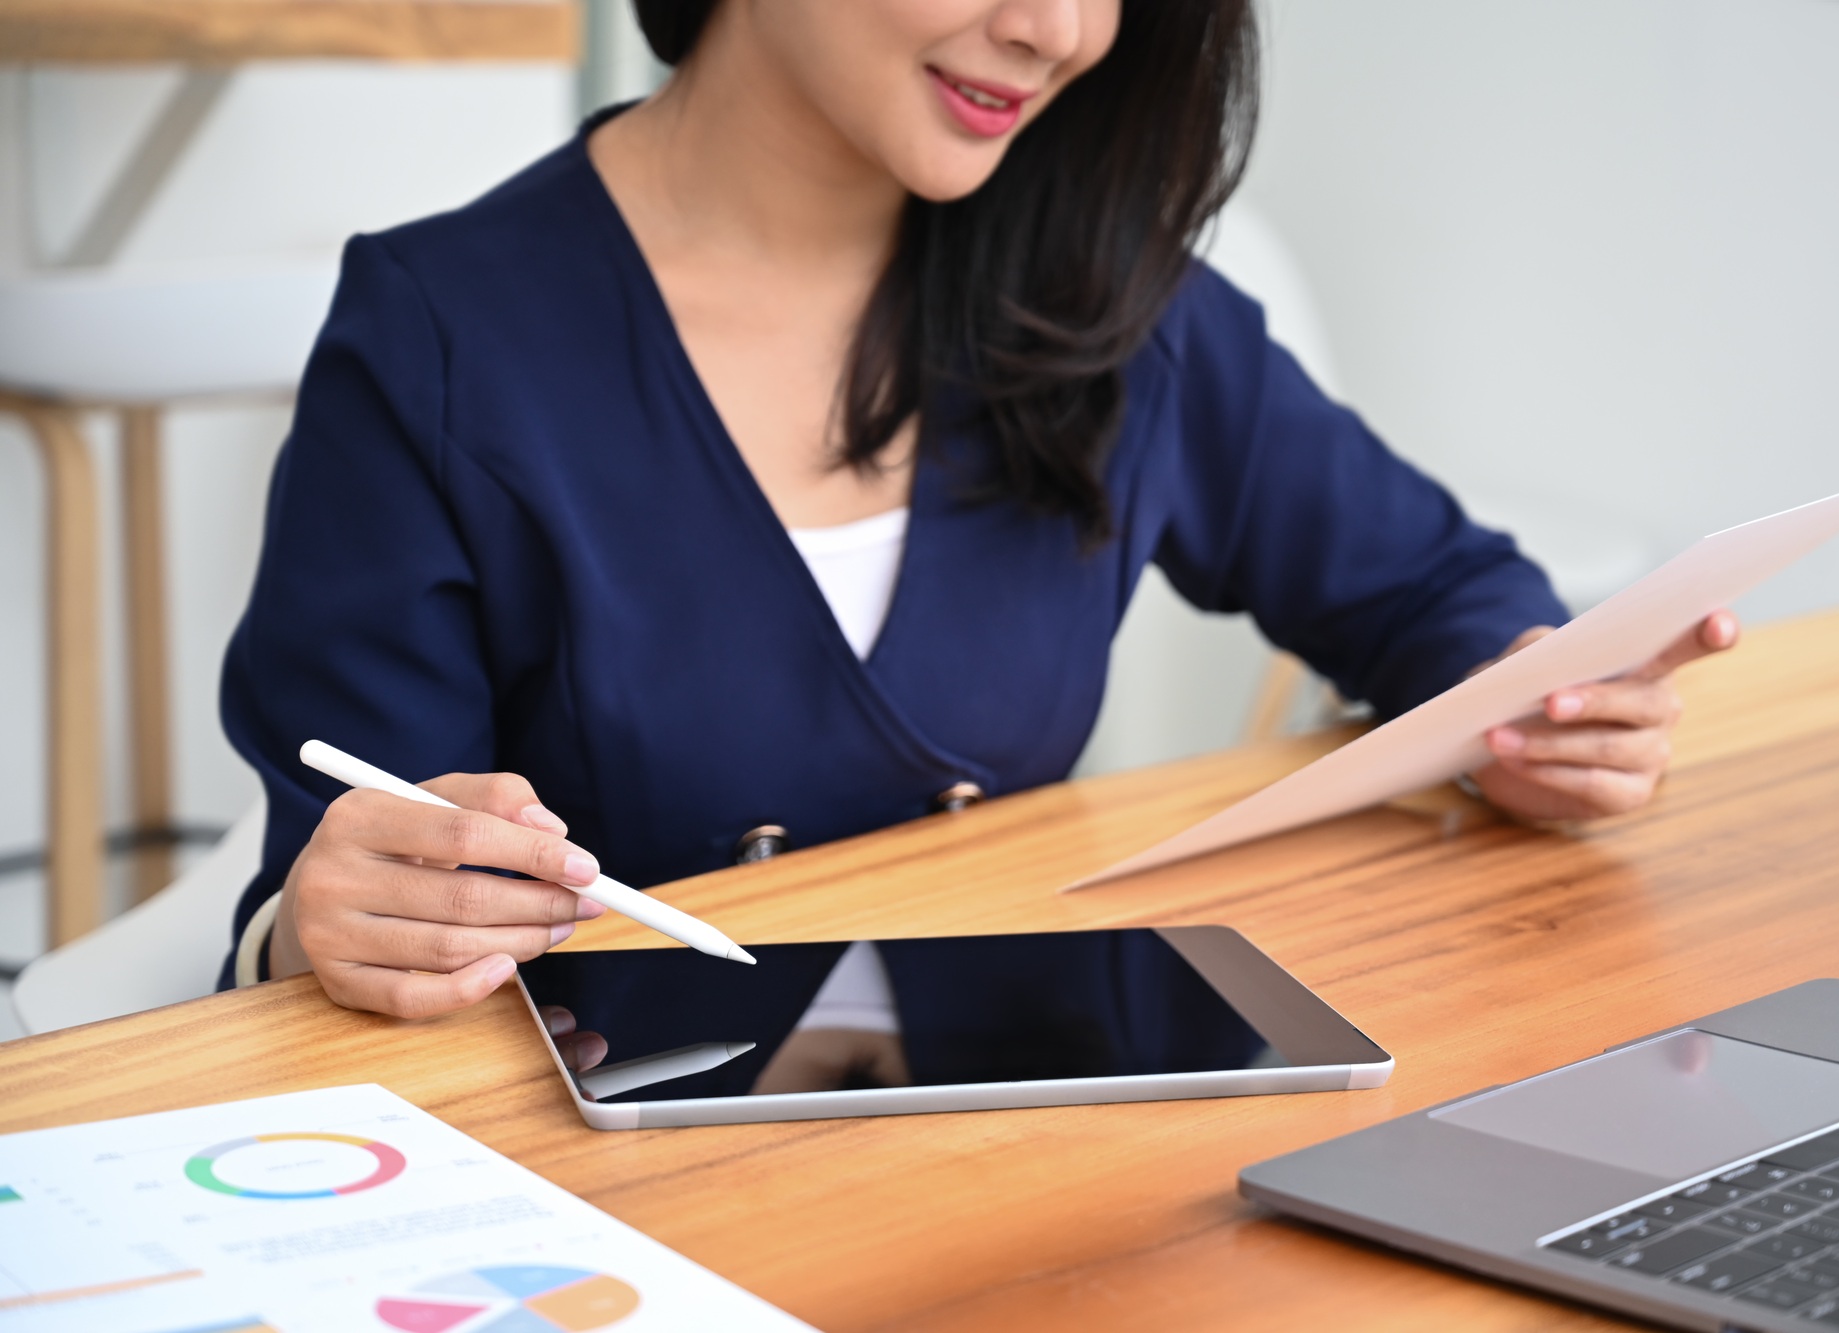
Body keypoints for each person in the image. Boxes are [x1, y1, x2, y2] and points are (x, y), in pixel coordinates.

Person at [219, 0, 1736, 1022]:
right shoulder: (442, 337)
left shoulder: (1116, 305)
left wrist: (1537, 711)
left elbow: (1435, 590)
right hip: (603, 1216)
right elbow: (342, 880)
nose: (1059, 30)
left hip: (1024, 1159)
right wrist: (325, 925)